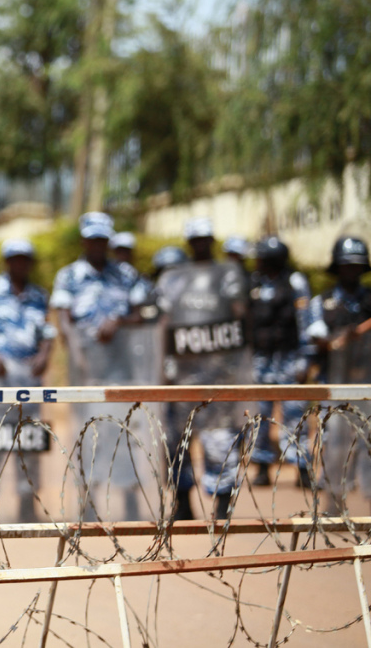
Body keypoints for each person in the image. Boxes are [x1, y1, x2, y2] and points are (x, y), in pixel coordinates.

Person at [52, 212, 148, 520]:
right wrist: (77, 355)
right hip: (85, 367)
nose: (97, 245)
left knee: (123, 431)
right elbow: (64, 320)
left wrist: (119, 320)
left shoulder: (126, 274)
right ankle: (88, 503)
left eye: (102, 240)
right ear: (83, 240)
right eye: (92, 239)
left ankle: (130, 502)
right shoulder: (68, 276)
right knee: (88, 432)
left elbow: (144, 313)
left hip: (121, 368)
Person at [155, 217, 250, 520]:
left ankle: (222, 506)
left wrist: (238, 366)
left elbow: (240, 317)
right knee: (176, 441)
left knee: (219, 440)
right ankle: (182, 504)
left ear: (212, 240)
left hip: (219, 373)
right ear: (189, 242)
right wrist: (161, 368)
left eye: (204, 239)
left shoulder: (229, 274)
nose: (200, 244)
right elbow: (163, 323)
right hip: (180, 375)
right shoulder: (172, 278)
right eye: (194, 240)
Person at [0, 239, 55, 522]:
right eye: (14, 258)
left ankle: (28, 508)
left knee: (28, 437)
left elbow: (48, 334)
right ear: (6, 262)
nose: (20, 264)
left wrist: (44, 355)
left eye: (25, 259)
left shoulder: (39, 295)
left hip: (28, 374)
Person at [306, 236, 371, 513]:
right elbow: (313, 337)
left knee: (368, 448)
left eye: (355, 266)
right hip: (334, 387)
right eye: (345, 266)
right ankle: (333, 504)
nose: (350, 271)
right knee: (334, 447)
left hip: (368, 386)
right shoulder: (323, 302)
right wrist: (335, 339)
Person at [248, 236, 314, 488]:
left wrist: (305, 359)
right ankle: (263, 468)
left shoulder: (295, 282)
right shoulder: (254, 283)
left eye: (262, 257)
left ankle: (302, 470)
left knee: (295, 415)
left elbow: (304, 320)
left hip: (289, 357)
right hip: (261, 359)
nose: (258, 261)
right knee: (260, 417)